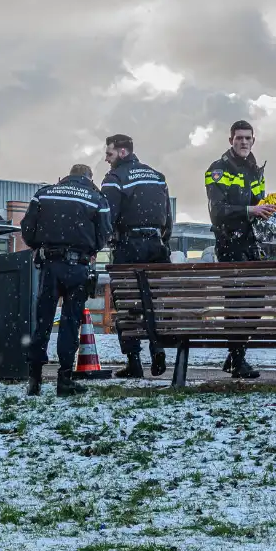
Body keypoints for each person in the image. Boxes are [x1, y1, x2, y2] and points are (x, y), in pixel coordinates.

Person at [20, 163, 112, 396]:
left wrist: (41, 245)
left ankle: (35, 378)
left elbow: (27, 229)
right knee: (71, 323)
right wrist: (89, 248)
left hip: (50, 265)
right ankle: (64, 378)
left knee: (43, 322)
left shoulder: (45, 193)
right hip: (78, 267)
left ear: (67, 176)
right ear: (89, 178)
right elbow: (104, 234)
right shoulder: (95, 198)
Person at [204, 120, 276, 378]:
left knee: (256, 300)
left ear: (253, 140)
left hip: (251, 242)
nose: (243, 142)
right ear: (231, 140)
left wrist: (271, 210)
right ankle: (237, 358)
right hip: (229, 243)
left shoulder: (255, 170)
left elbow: (258, 203)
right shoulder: (218, 169)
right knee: (236, 302)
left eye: (248, 138)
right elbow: (217, 212)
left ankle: (236, 353)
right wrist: (250, 210)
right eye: (239, 138)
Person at [101, 133, 173, 378]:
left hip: (129, 247)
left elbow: (106, 218)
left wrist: (105, 239)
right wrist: (160, 240)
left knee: (127, 303)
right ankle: (157, 348)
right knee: (154, 302)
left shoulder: (115, 179)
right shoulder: (157, 177)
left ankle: (134, 361)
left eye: (109, 153)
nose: (106, 158)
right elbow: (168, 219)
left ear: (122, 152)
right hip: (157, 247)